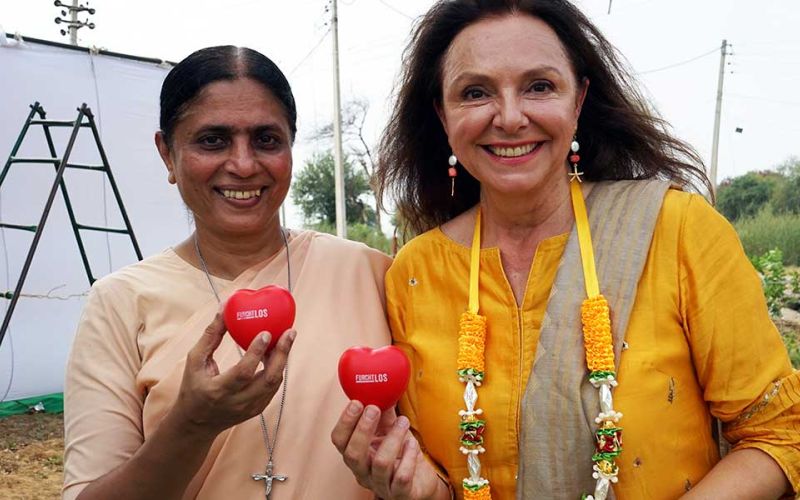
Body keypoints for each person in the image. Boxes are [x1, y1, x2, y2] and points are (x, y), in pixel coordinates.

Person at [331, 1, 800, 499]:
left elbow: (780, 433)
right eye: (475, 92)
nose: (510, 118)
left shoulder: (677, 230)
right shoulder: (415, 273)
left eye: (539, 86)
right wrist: (425, 490)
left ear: (578, 101)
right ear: (443, 116)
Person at [63, 45, 391, 500]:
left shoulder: (369, 274)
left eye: (266, 140)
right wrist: (192, 424)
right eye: (212, 140)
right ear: (167, 154)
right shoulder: (120, 302)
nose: (242, 164)